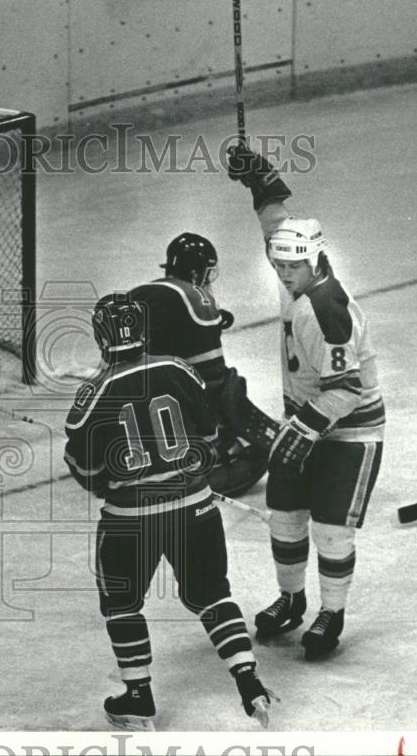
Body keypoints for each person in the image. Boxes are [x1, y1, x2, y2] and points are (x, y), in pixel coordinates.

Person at [64, 293, 273, 730]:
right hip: (194, 508)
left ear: (101, 338)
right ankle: (248, 681)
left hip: (129, 522)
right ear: (144, 331)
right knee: (212, 594)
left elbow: (87, 472)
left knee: (122, 604)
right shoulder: (179, 369)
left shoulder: (93, 393)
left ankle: (138, 697)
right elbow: (209, 437)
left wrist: (99, 470)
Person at [226, 144, 385, 659]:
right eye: (278, 263)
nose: (282, 270)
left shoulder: (325, 309)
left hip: (350, 431)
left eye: (292, 264)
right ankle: (291, 601)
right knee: (285, 517)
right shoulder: (295, 275)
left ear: (314, 261)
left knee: (331, 531)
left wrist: (305, 427)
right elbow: (277, 226)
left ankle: (330, 614)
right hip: (310, 423)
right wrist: (261, 181)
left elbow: (347, 388)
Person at [128, 233, 271, 498]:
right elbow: (212, 376)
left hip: (130, 416)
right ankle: (217, 449)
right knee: (225, 385)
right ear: (196, 273)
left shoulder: (136, 294)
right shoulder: (195, 296)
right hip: (174, 416)